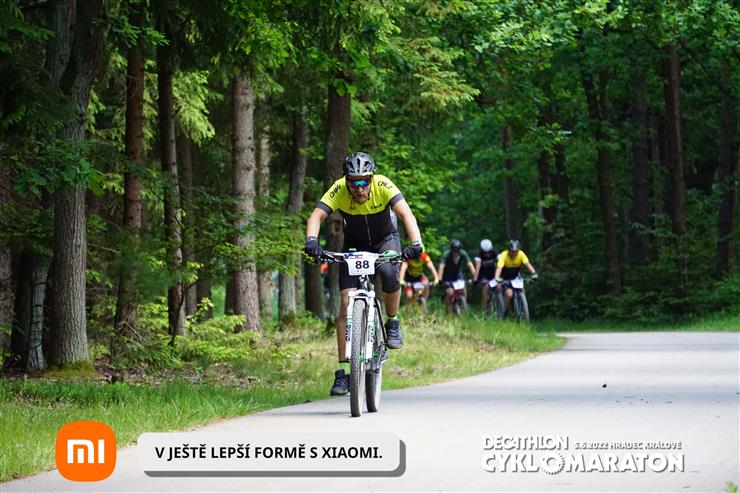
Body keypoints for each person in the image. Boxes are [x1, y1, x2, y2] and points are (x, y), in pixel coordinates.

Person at [304, 151, 424, 396]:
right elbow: (316, 215)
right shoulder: (339, 189)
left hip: (385, 240)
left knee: (389, 272)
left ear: (371, 179)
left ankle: (393, 322)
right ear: (346, 181)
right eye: (353, 182)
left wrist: (416, 243)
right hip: (354, 245)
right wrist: (311, 241)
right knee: (345, 303)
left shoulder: (384, 185)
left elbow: (406, 214)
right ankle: (343, 373)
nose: (358, 188)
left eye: (363, 182)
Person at [494, 239, 538, 315]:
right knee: (509, 294)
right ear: (509, 250)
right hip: (505, 277)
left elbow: (528, 264)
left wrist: (534, 273)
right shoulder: (504, 255)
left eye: (516, 251)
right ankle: (503, 313)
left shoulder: (521, 254)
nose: (514, 253)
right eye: (512, 251)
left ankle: (522, 310)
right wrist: (497, 277)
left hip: (516, 277)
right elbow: (499, 268)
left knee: (522, 290)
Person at [437, 239, 476, 312]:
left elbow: (470, 265)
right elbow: (441, 267)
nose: (456, 253)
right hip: (447, 275)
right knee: (450, 293)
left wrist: (475, 277)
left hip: (457, 274)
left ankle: (463, 308)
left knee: (463, 289)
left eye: (457, 251)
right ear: (451, 250)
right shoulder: (446, 254)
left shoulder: (463, 253)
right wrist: (440, 279)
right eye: (454, 251)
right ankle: (446, 309)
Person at [473, 239, 499, 312]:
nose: (487, 254)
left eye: (489, 252)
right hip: (482, 275)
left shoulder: (494, 252)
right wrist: (475, 279)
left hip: (492, 273)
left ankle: (499, 305)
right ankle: (484, 310)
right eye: (485, 252)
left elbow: (501, 262)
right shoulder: (478, 254)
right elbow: (477, 267)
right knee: (486, 286)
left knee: (499, 286)